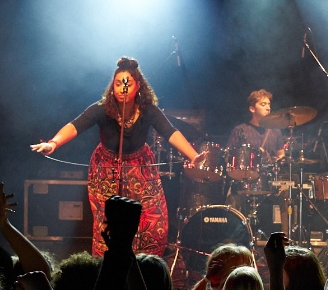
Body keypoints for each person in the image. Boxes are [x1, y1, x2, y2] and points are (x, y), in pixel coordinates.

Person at [31, 57, 206, 257]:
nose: (122, 88)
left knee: (152, 221)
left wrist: (193, 155)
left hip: (141, 168)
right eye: (117, 84)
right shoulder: (102, 108)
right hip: (106, 168)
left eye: (128, 84)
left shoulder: (148, 110)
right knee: (109, 223)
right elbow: (76, 125)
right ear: (112, 86)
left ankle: (143, 268)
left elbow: (170, 132)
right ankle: (109, 269)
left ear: (138, 85)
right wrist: (53, 143)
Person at [225, 88, 290, 179]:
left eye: (269, 105)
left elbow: (281, 155)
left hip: (269, 180)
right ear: (252, 109)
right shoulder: (240, 130)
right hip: (246, 179)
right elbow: (228, 156)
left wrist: (276, 162)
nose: (268, 108)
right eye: (263, 104)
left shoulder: (275, 131)